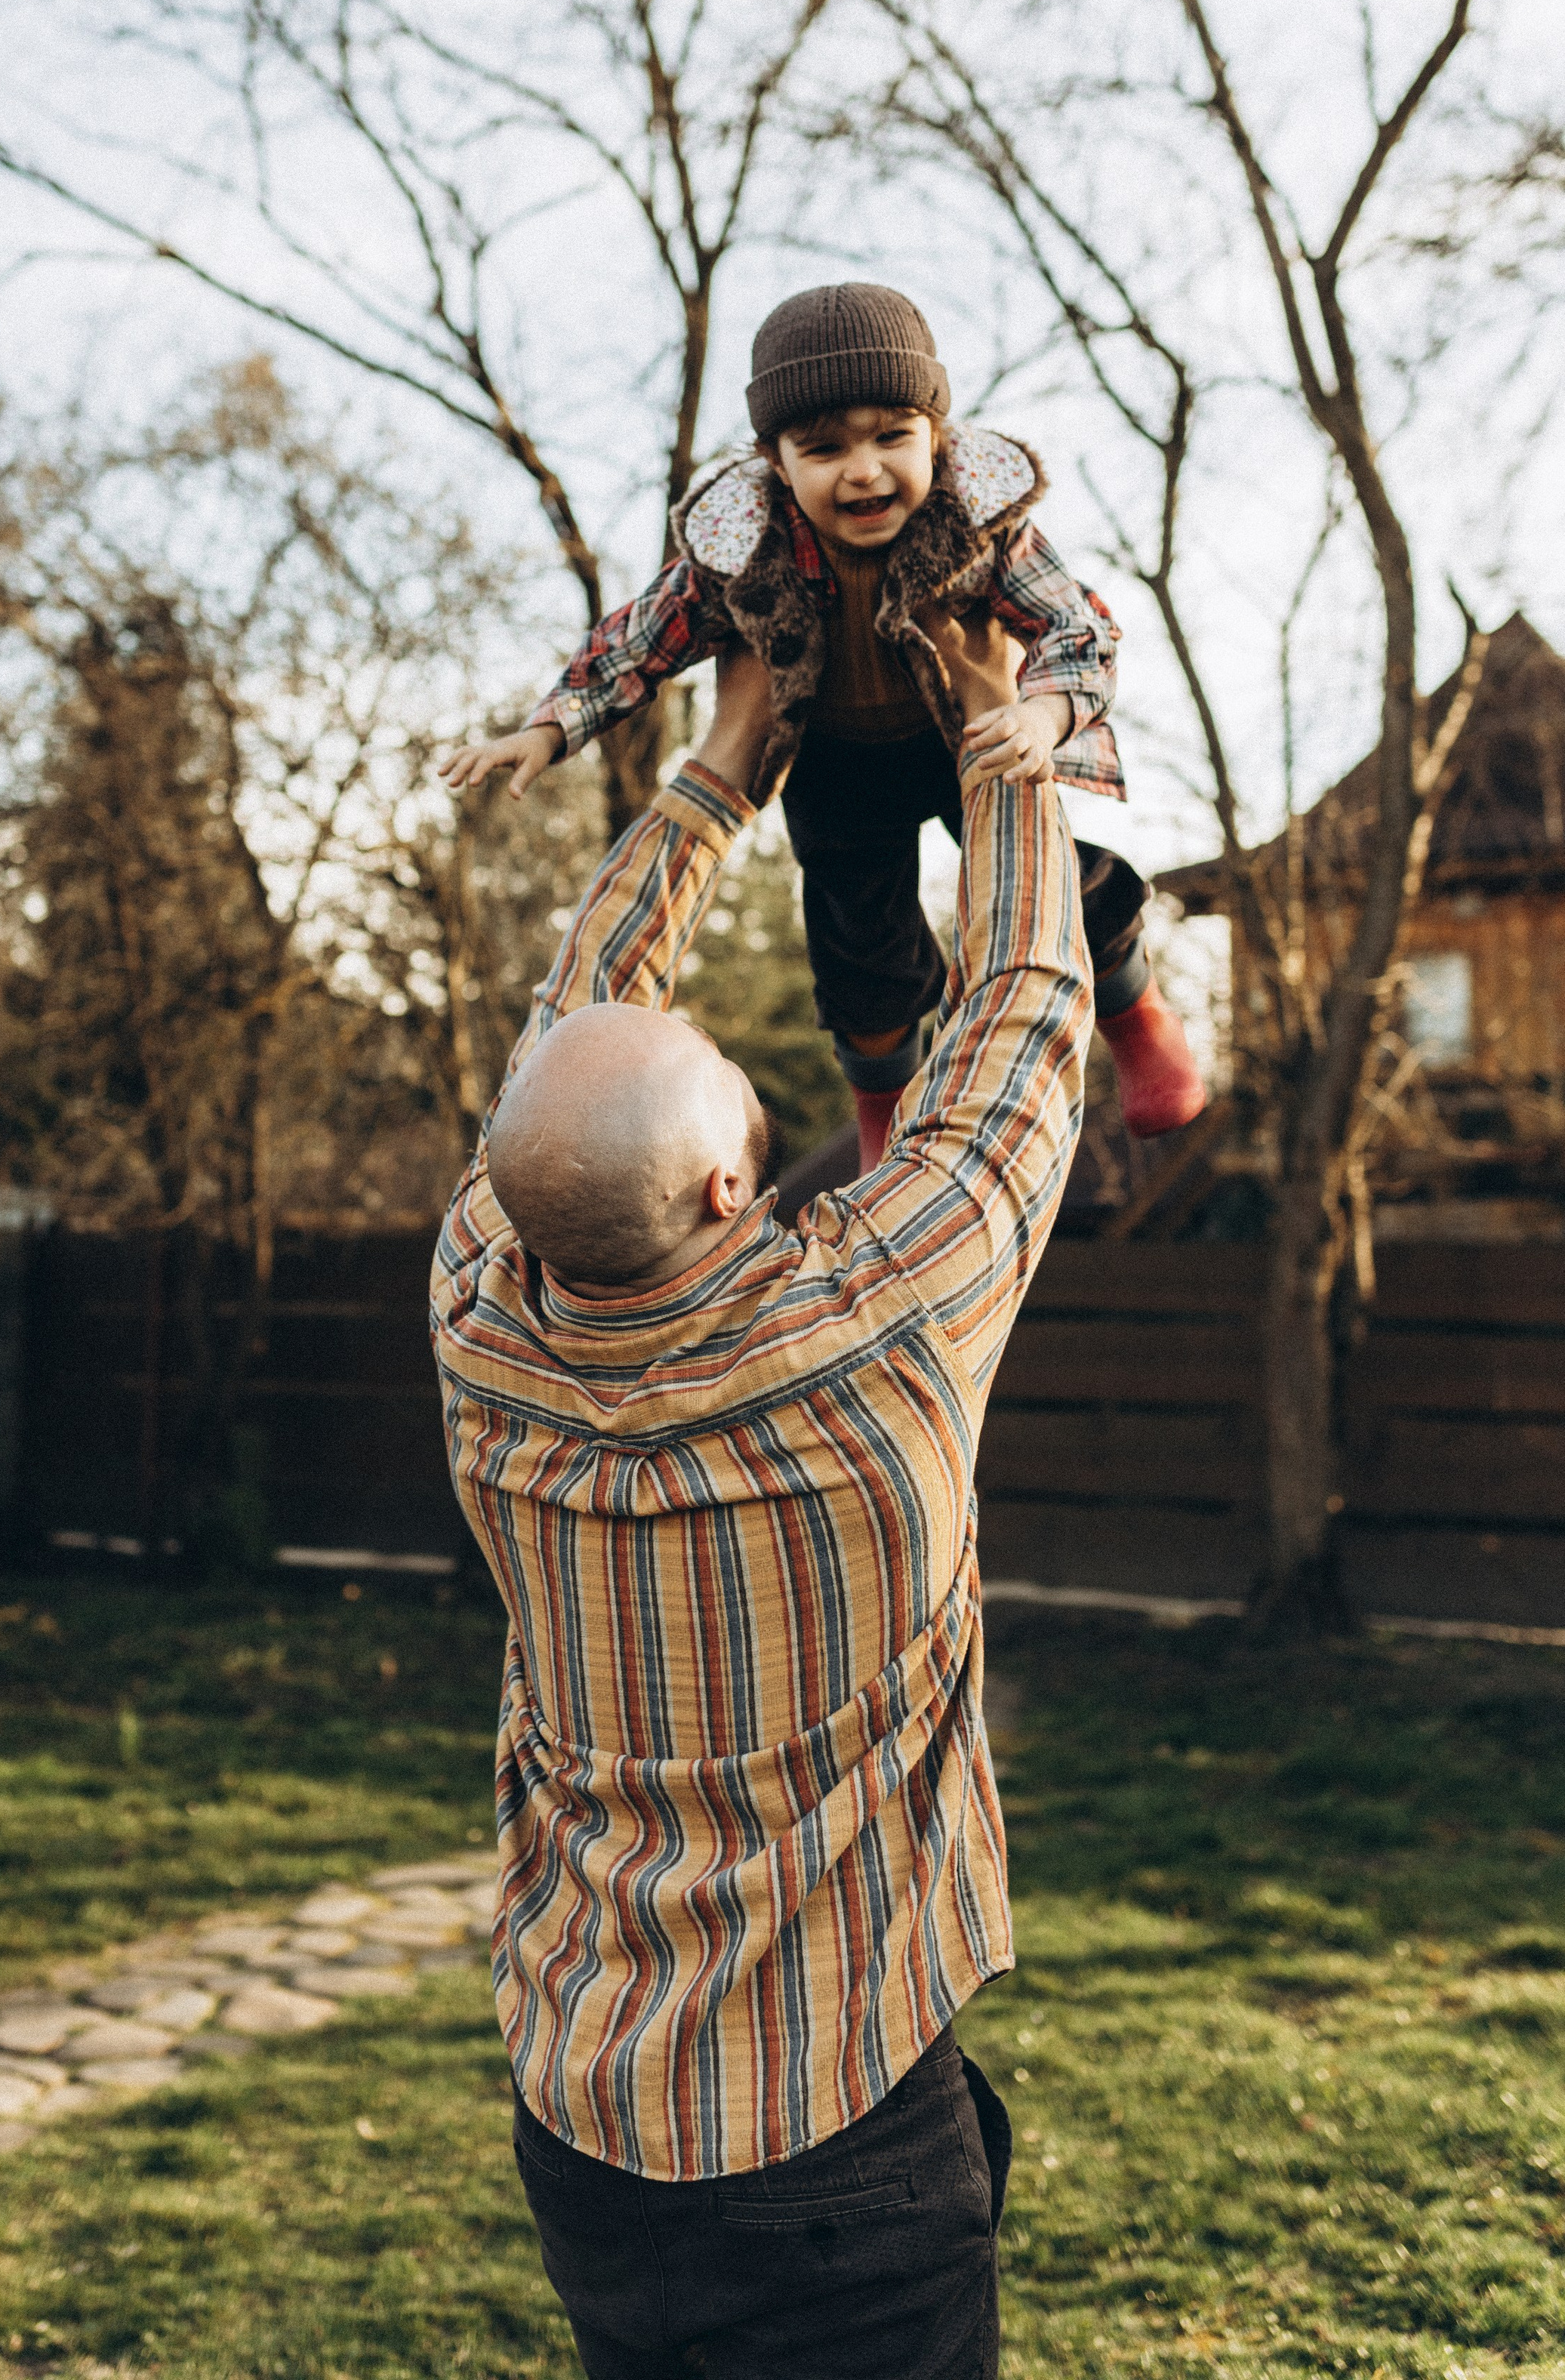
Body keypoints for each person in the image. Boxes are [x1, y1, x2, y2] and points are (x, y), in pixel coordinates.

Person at [430, 614, 1092, 2378]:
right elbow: (1021, 1021)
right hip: (842, 2143)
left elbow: (559, 1037)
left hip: (586, 2124)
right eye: (735, 1090)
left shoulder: (481, 1332)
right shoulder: (880, 1330)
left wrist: (718, 773)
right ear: (732, 1184)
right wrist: (998, 754)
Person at [439, 278, 1203, 1162]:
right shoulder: (744, 548)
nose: (864, 469)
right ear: (776, 461)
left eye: (892, 436)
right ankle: (883, 1117)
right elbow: (642, 637)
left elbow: (1077, 624)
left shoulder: (979, 522)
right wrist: (550, 726)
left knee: (1055, 882)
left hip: (966, 737)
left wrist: (1043, 712)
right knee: (857, 951)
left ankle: (1137, 1017)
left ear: (937, 436)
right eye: (824, 448)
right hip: (834, 761)